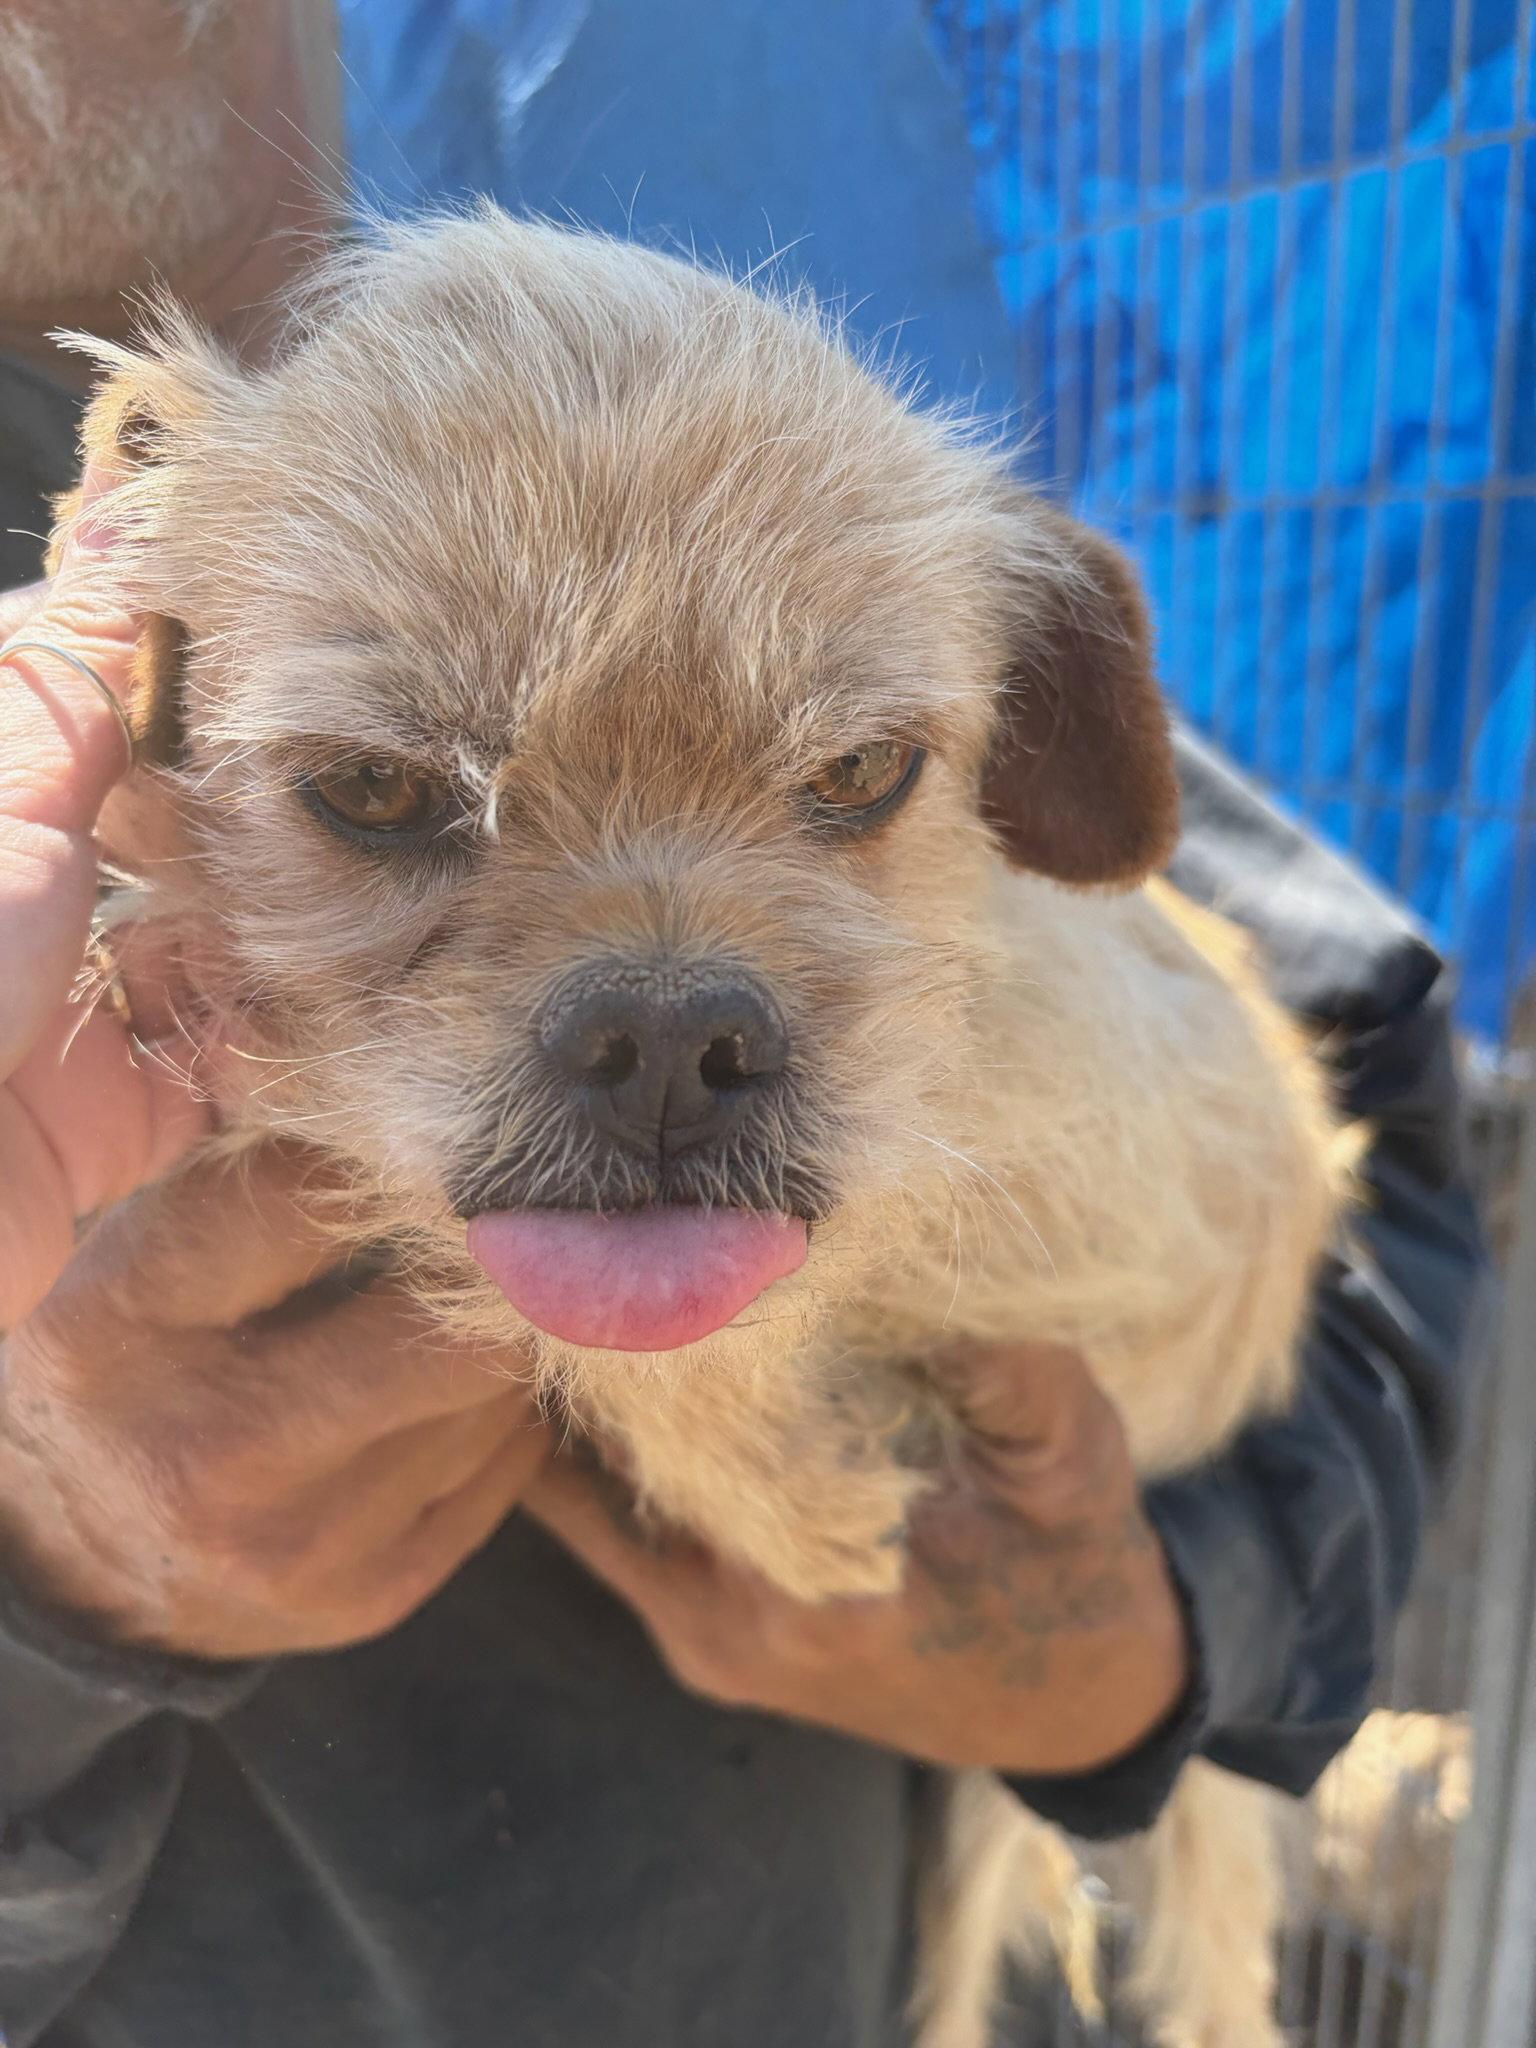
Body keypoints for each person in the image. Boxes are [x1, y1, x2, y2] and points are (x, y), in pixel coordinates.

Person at [0, 8, 1485, 2045]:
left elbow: (1375, 1086)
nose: (670, 1029)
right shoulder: (211, 549)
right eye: (380, 791)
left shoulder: (745, 445)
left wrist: (1159, 1636)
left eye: (853, 775)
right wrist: (43, 1612)